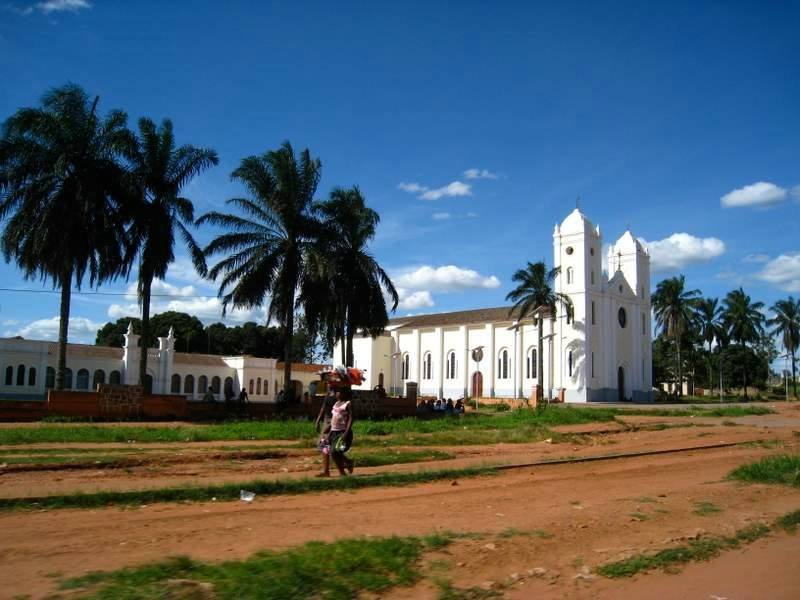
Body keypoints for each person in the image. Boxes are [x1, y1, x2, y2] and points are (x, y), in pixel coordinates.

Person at [325, 388, 354, 476]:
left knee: (335, 452)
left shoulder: (348, 404)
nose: (336, 393)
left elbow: (351, 418)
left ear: (344, 394)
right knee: (328, 449)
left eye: (338, 392)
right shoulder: (336, 404)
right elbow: (334, 418)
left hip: (342, 433)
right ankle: (348, 462)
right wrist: (329, 429)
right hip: (333, 432)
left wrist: (346, 433)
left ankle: (342, 473)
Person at [315, 390, 336, 477]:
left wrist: (332, 424)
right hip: (326, 419)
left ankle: (326, 471)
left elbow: (339, 411)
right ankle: (326, 471)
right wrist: (318, 419)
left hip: (334, 419)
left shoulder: (339, 393)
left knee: (326, 444)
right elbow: (323, 406)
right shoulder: (329, 392)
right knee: (325, 445)